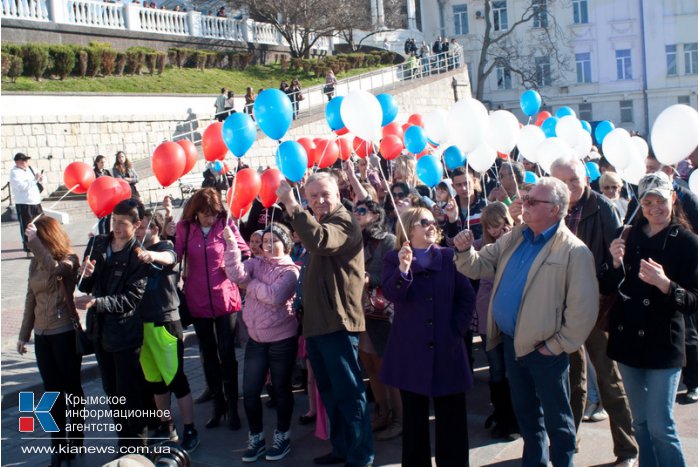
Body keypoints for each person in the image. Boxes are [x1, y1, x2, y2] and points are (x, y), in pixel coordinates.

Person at [454, 177, 599, 467]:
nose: (524, 205)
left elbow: (583, 311)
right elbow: (478, 265)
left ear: (555, 210)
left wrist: (555, 346)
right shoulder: (515, 237)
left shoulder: (574, 251)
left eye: (533, 201)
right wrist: (463, 250)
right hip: (511, 342)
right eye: (526, 198)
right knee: (527, 417)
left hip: (545, 350)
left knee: (558, 420)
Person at [275, 173, 374, 467]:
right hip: (318, 324)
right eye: (313, 196)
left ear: (338, 194)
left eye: (325, 194)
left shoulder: (343, 221)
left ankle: (360, 455)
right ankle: (343, 447)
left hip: (338, 323)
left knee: (349, 392)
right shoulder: (320, 220)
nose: (319, 201)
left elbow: (320, 241)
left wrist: (293, 206)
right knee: (330, 393)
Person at [549, 157, 638, 467]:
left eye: (575, 179)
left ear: (585, 177)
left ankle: (626, 450)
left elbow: (617, 260)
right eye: (564, 182)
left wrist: (593, 285)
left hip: (598, 307)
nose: (571, 187)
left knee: (608, 379)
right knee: (571, 380)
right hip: (562, 308)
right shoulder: (553, 207)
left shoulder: (601, 207)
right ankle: (567, 444)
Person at [606, 172, 697, 467]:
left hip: (664, 343)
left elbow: (694, 302)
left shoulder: (687, 241)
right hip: (627, 338)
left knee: (661, 425)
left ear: (672, 198)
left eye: (660, 200)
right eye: (647, 202)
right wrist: (613, 262)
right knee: (641, 422)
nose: (654, 207)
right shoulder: (626, 234)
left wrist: (665, 285)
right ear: (640, 204)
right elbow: (606, 285)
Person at [381, 207, 475, 466]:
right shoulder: (393, 258)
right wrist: (403, 268)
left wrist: (456, 329)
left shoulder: (448, 257)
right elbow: (392, 294)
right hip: (410, 352)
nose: (432, 226)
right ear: (409, 228)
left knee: (452, 419)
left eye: (434, 222)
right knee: (414, 422)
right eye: (424, 222)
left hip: (447, 350)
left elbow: (466, 297)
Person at [174, 188, 250, 431]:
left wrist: (230, 244)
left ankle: (233, 406)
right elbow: (174, 256)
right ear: (196, 212)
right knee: (208, 354)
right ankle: (218, 406)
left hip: (224, 297)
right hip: (197, 299)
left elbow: (245, 253)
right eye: (206, 214)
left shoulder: (226, 225)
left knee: (227, 353)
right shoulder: (185, 229)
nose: (210, 218)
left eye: (214, 214)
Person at [223, 223, 300, 462]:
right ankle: (256, 437)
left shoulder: (290, 271)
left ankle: (282, 436)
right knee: (250, 390)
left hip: (281, 339)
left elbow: (276, 296)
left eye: (272, 240)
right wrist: (232, 246)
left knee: (280, 389)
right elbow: (235, 275)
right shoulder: (256, 263)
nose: (267, 244)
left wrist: (250, 286)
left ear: (285, 243)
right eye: (264, 240)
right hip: (256, 339)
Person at [76, 199, 150, 447]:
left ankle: (138, 443)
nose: (115, 227)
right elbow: (85, 286)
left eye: (122, 223)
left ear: (136, 224)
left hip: (125, 333)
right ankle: (123, 440)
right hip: (99, 331)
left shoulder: (137, 255)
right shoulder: (98, 243)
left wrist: (96, 302)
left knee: (128, 392)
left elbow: (131, 299)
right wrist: (84, 275)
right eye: (113, 221)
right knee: (110, 390)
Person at [18, 217, 83, 467]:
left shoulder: (69, 259)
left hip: (64, 333)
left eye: (34, 238)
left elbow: (56, 270)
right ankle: (58, 446)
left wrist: (35, 244)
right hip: (43, 336)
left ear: (47, 237)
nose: (29, 243)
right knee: (51, 394)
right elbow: (29, 299)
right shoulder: (35, 263)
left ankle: (76, 438)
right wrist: (24, 335)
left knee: (72, 389)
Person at [134, 210, 199, 453]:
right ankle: (166, 424)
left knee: (176, 379)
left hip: (165, 322)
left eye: (142, 228)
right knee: (155, 381)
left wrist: (149, 255)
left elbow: (170, 258)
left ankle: (190, 428)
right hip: (142, 325)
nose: (138, 232)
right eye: (136, 228)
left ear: (154, 228)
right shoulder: (133, 250)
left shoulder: (166, 246)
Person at [352, 200, 402, 441]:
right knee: (370, 364)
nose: (356, 214)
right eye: (354, 210)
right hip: (358, 310)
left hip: (381, 312)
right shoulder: (353, 239)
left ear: (375, 215)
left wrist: (368, 277)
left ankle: (399, 419)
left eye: (362, 211)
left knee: (388, 367)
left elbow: (394, 274)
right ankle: (382, 413)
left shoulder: (388, 240)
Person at [470, 202, 519, 440]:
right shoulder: (482, 246)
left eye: (498, 225)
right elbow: (461, 253)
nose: (495, 231)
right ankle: (502, 416)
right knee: (497, 369)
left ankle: (516, 417)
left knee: (513, 369)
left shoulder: (517, 241)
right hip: (487, 317)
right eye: (490, 227)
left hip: (511, 317)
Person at [10, 153, 43, 256]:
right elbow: (21, 187)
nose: (25, 162)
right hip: (24, 203)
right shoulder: (15, 172)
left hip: (36, 201)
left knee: (41, 223)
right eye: (23, 161)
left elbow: (39, 177)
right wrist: (34, 180)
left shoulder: (30, 169)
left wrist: (41, 179)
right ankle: (29, 249)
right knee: (27, 226)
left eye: (26, 160)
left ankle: (42, 245)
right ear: (17, 162)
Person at [94, 155, 112, 235]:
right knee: (102, 219)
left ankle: (107, 235)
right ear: (97, 163)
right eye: (101, 162)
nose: (103, 164)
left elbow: (112, 181)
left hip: (108, 198)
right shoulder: (94, 173)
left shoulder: (106, 172)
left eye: (104, 162)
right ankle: (102, 236)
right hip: (99, 199)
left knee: (108, 218)